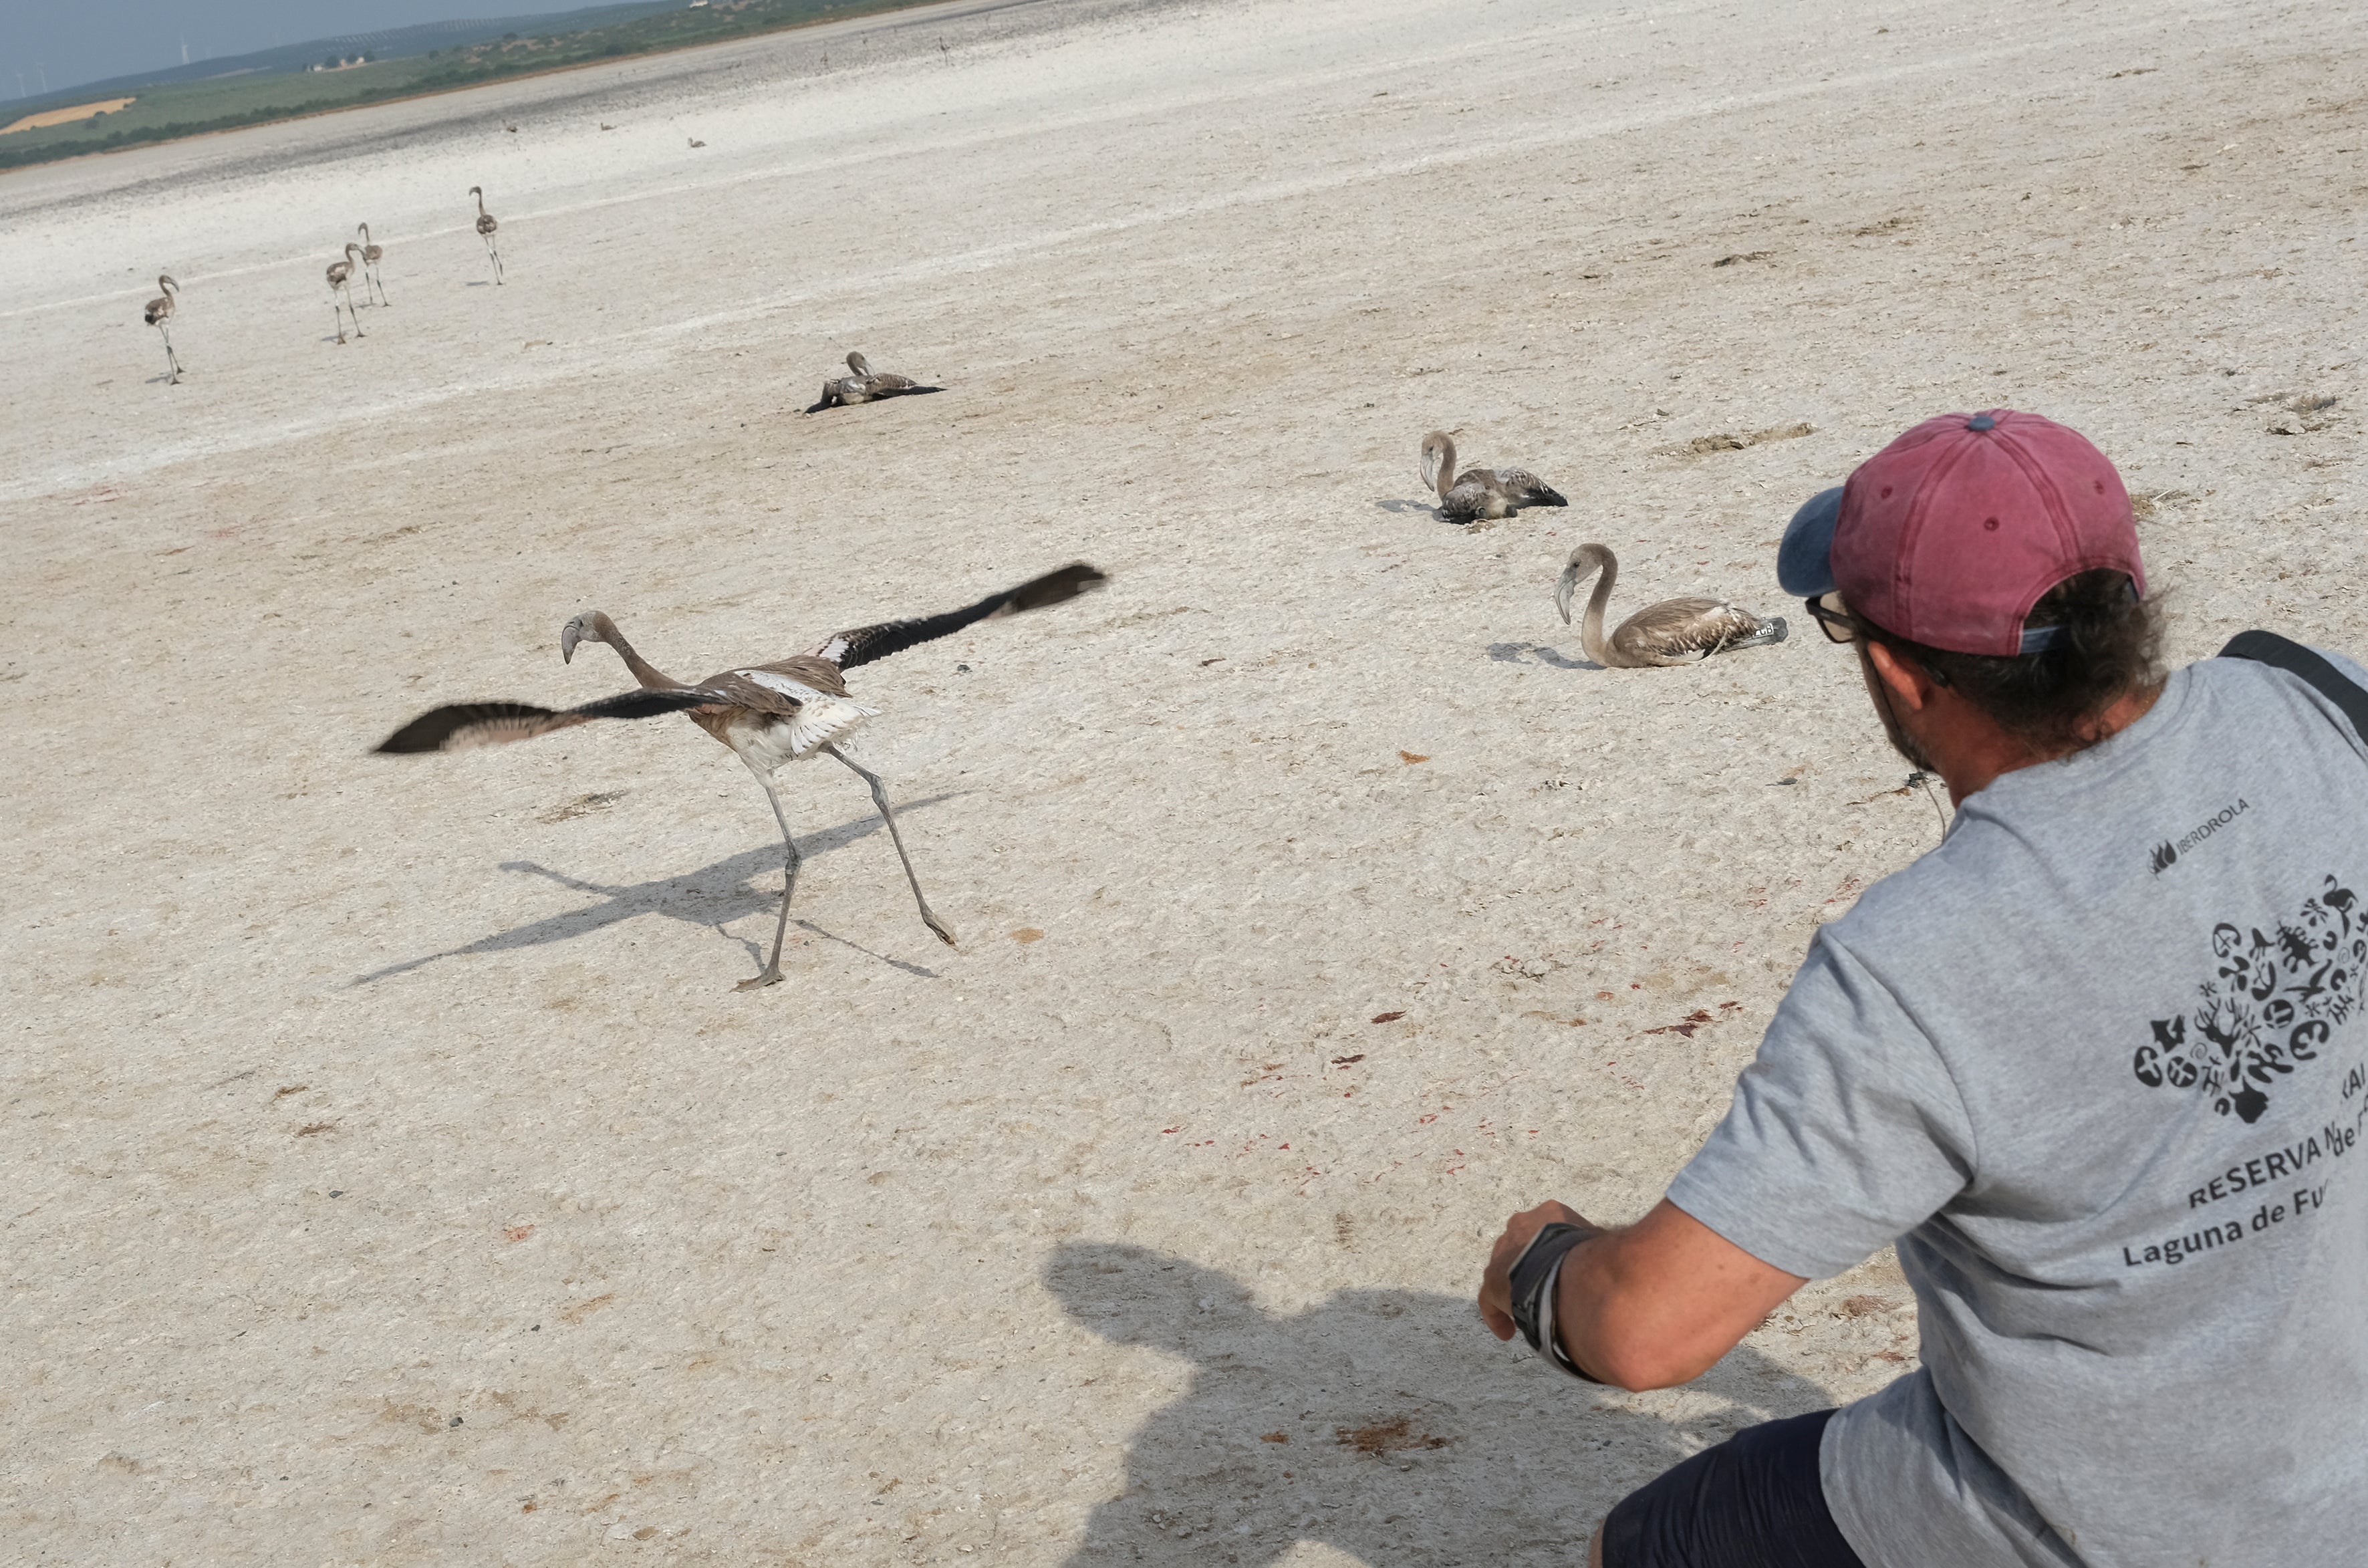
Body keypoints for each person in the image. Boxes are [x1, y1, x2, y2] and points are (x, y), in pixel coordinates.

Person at [1476, 409, 2368, 1567]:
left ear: (1896, 668)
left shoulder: (1915, 962)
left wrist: (1544, 1265)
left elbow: (1648, 1331)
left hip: (2117, 1522)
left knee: (1642, 1548)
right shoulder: (2322, 700)